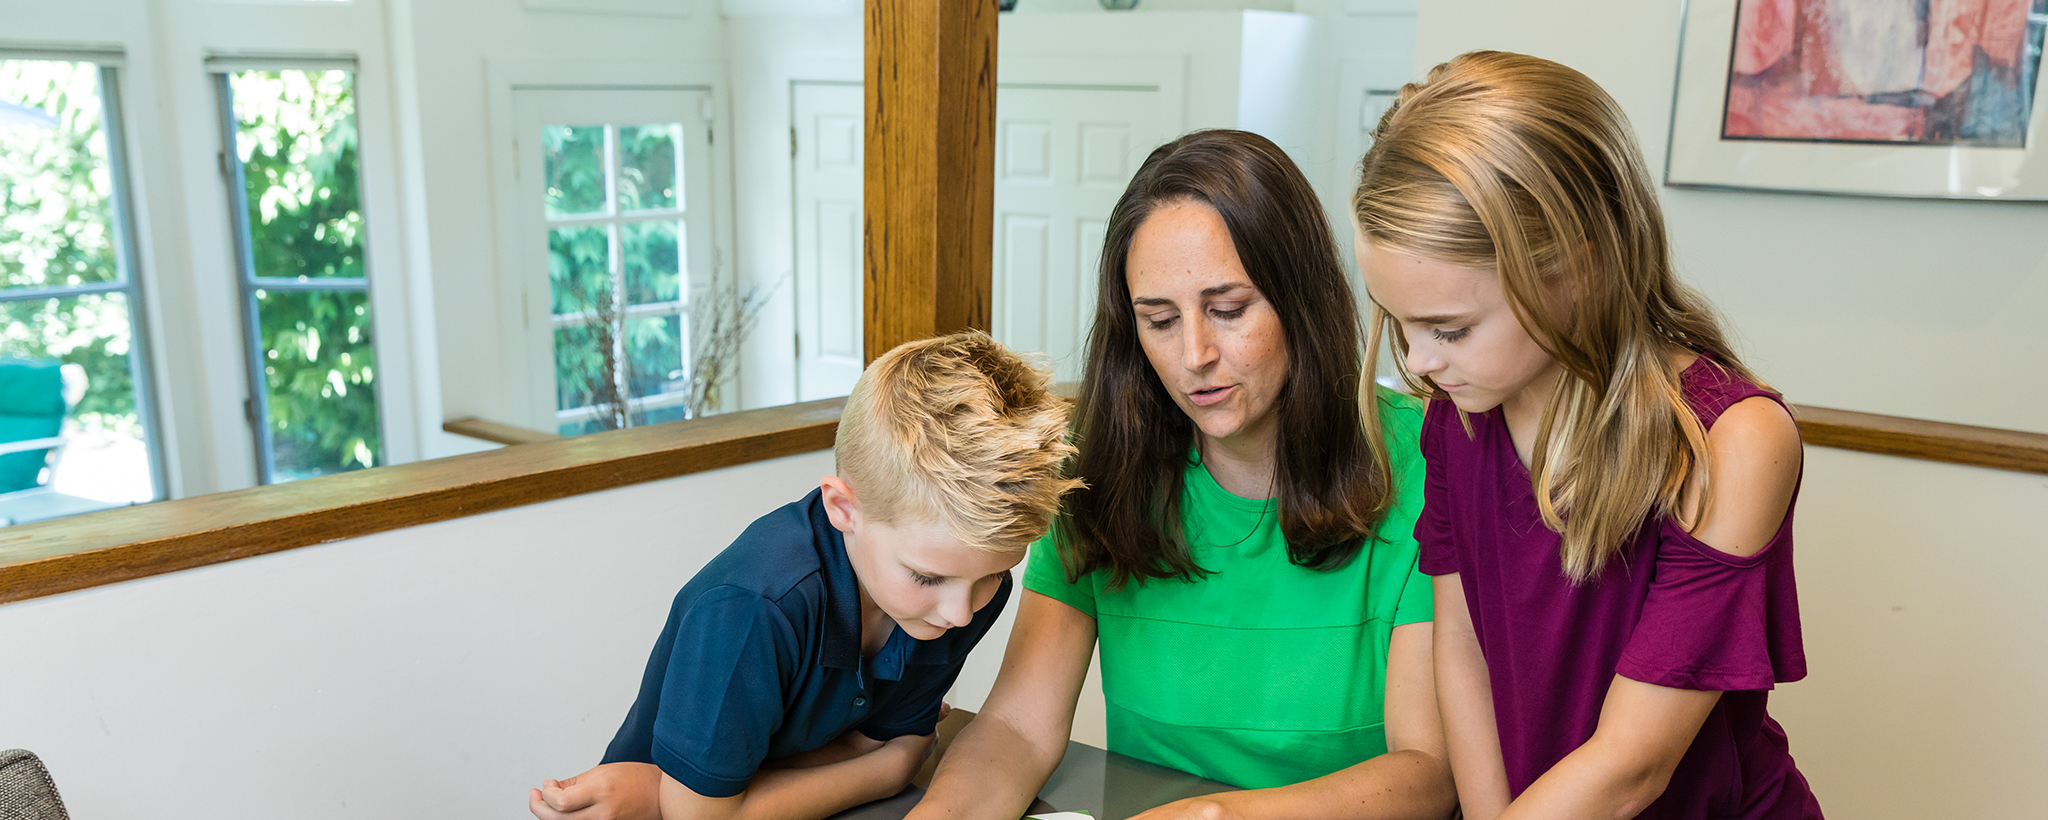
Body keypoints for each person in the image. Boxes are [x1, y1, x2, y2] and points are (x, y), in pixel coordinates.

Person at [908, 130, 1456, 820]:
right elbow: (1018, 729)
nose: (1193, 354)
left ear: (1301, 300)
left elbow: (1427, 773)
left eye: (1229, 311)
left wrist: (1219, 817)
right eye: (1159, 320)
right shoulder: (1091, 465)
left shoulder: (1427, 459)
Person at [1352, 51, 1822, 820]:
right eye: (1399, 323)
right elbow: (1462, 646)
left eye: (1450, 328)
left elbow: (1633, 765)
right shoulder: (1461, 413)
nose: (1422, 363)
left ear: (1582, 269)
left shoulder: (1733, 441)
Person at [528, 331, 1081, 820]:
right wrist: (886, 770)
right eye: (927, 578)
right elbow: (700, 816)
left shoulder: (958, 584)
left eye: (993, 577)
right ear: (844, 509)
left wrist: (884, 760)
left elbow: (878, 745)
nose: (963, 612)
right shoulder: (754, 607)